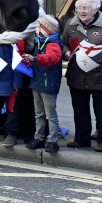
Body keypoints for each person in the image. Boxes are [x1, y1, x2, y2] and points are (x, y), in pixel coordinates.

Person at [62, 0, 102, 151]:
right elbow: (63, 43)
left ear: (95, 9)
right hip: (77, 74)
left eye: (85, 8)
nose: (81, 11)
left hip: (100, 74)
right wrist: (66, 53)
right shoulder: (71, 24)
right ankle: (81, 138)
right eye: (79, 8)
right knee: (79, 109)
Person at [22, 15, 64, 153]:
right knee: (39, 113)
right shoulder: (41, 42)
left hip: (48, 83)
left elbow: (51, 58)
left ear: (46, 29)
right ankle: (39, 137)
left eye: (39, 26)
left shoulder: (53, 44)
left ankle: (53, 140)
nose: (36, 29)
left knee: (50, 115)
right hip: (37, 82)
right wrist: (29, 60)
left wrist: (34, 58)